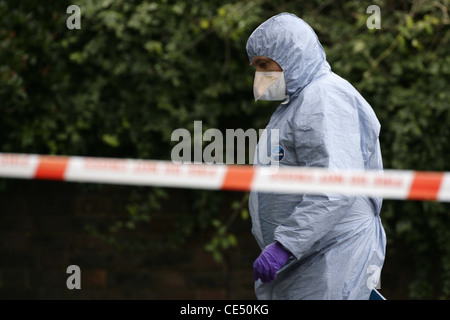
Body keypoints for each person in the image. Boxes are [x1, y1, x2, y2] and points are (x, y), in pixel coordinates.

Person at [247, 12, 387, 300]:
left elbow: (334, 187)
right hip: (308, 258)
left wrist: (285, 245)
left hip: (333, 257)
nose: (260, 75)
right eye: (256, 67)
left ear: (289, 55)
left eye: (264, 64)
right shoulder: (296, 104)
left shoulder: (325, 97)